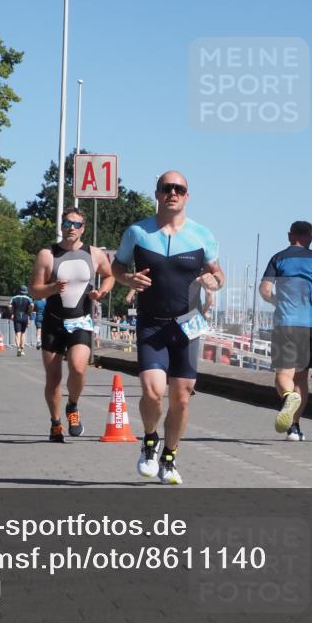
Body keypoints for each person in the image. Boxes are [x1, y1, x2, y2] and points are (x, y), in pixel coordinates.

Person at [112, 171, 223, 485]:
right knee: (152, 391)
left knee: (182, 397)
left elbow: (218, 274)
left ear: (187, 196)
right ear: (157, 193)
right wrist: (127, 279)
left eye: (179, 189)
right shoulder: (137, 232)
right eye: (167, 188)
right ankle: (150, 441)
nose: (173, 192)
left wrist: (212, 281)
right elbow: (117, 266)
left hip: (188, 324)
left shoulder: (203, 235)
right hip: (152, 323)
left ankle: (169, 458)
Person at [29, 207, 115, 442]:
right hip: (53, 323)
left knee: (78, 367)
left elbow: (110, 275)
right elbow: (34, 290)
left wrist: (102, 291)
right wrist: (52, 289)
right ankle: (56, 423)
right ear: (61, 226)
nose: (71, 228)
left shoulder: (94, 254)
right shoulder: (47, 254)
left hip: (81, 321)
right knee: (53, 378)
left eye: (76, 224)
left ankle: (73, 406)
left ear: (83, 228)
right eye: (67, 223)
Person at [259, 221, 312, 441]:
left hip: (286, 322)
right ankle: (294, 428)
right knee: (302, 378)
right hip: (311, 323)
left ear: (289, 235)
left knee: (284, 374)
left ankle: (287, 397)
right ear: (310, 237)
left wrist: (278, 302)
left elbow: (265, 290)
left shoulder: (279, 258)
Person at [10, 286, 34, 356]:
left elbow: (9, 306)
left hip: (17, 316)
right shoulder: (28, 298)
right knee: (23, 333)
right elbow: (32, 305)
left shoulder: (14, 298)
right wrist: (29, 312)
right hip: (25, 316)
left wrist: (12, 313)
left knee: (18, 333)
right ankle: (22, 349)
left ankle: (18, 348)